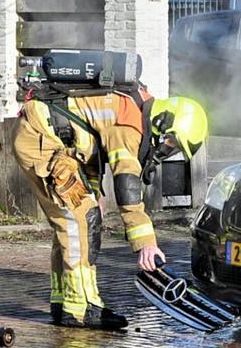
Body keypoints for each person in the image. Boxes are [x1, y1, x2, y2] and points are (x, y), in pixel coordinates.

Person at [14, 89, 207, 330]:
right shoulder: (130, 125)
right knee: (80, 220)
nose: (166, 150)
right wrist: (146, 243)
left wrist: (94, 193)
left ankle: (63, 300)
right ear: (164, 122)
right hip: (41, 139)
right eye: (172, 142)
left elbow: (87, 143)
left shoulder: (131, 107)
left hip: (45, 137)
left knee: (73, 219)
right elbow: (127, 185)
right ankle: (82, 308)